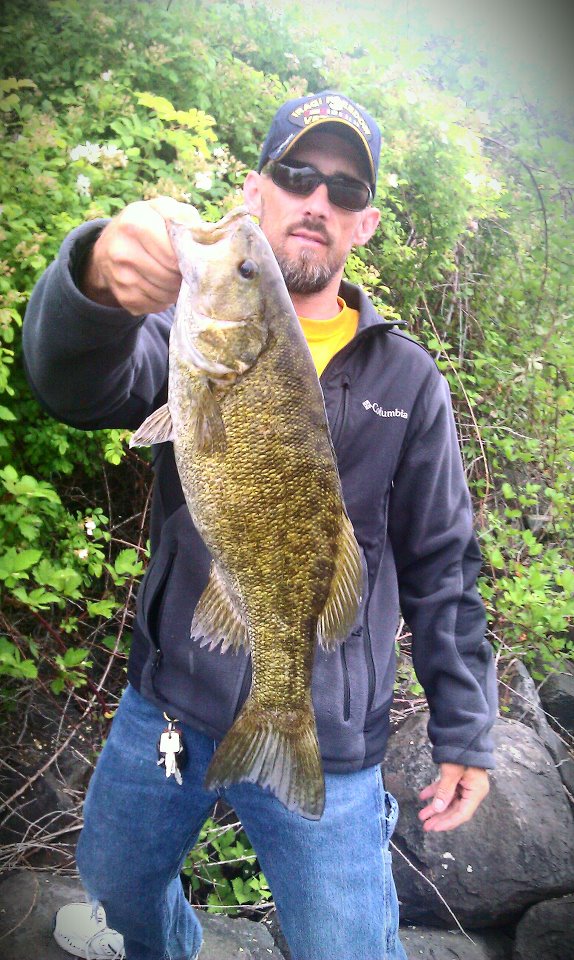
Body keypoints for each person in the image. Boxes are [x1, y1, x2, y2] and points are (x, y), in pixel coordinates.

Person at [23, 90, 497, 960]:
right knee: (117, 888)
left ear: (366, 223)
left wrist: (466, 728)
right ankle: (166, 941)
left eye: (345, 191)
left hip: (329, 725)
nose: (317, 200)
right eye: (296, 174)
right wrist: (91, 276)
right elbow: (69, 384)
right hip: (169, 701)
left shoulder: (409, 378)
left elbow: (443, 564)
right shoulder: (186, 331)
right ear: (254, 190)